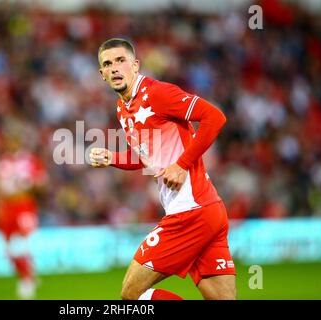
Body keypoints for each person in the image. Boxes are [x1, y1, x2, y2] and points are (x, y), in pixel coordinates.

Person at [90, 38, 236, 300]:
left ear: (135, 65)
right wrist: (111, 157)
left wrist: (182, 165)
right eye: (107, 64)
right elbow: (147, 158)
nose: (114, 68)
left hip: (189, 213)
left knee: (131, 294)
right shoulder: (123, 108)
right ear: (101, 74)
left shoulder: (157, 93)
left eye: (120, 61)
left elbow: (215, 116)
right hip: (209, 211)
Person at [0, 137, 47, 299]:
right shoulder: (2, 162)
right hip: (7, 206)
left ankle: (26, 279)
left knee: (23, 244)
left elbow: (42, 184)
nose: (12, 144)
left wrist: (33, 184)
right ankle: (26, 273)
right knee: (8, 248)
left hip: (24, 205)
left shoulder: (30, 160)